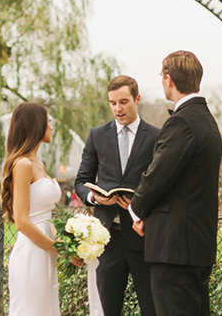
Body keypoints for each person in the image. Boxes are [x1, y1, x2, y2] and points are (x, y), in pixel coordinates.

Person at [129, 51, 222, 316]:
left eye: (162, 77)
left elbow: (158, 175)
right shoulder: (207, 121)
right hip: (196, 245)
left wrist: (136, 209)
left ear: (168, 79)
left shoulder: (181, 122)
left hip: (174, 251)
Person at [75, 75, 159, 316]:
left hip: (143, 237)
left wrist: (141, 202)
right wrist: (95, 198)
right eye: (112, 103)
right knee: (107, 310)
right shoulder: (96, 135)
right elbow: (80, 182)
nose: (118, 109)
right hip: (107, 240)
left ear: (137, 99)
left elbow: (164, 185)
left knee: (151, 309)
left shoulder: (156, 136)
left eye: (123, 102)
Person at [0, 101, 62, 316]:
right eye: (48, 121)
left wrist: (66, 245)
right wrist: (57, 248)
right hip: (31, 253)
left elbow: (47, 216)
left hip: (46, 251)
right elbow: (23, 222)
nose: (51, 126)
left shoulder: (39, 165)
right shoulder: (23, 165)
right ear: (36, 125)